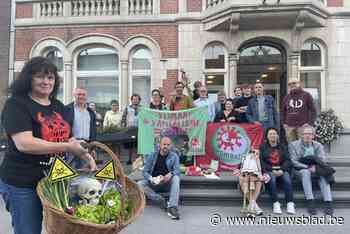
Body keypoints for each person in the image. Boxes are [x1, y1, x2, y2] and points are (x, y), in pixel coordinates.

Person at [0, 57, 96, 234]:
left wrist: (86, 155)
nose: (46, 82)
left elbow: (68, 138)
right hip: (22, 182)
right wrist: (68, 148)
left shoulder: (58, 106)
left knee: (61, 227)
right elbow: (25, 144)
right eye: (40, 77)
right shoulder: (16, 104)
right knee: (28, 230)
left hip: (54, 180)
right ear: (29, 79)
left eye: (50, 77)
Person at [289, 125, 334, 215]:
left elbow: (322, 160)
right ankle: (310, 201)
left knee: (323, 173)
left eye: (310, 134)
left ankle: (328, 202)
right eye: (305, 134)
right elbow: (293, 161)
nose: (307, 136)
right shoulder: (293, 145)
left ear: (313, 136)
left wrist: (315, 168)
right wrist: (308, 167)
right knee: (306, 172)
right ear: (301, 135)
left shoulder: (318, 146)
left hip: (315, 169)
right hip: (299, 169)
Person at [138, 137, 181, 220]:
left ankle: (172, 207)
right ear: (160, 145)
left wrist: (170, 174)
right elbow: (144, 172)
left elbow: (177, 170)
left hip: (167, 183)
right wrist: (151, 178)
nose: (166, 146)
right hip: (154, 183)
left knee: (176, 178)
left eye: (168, 145)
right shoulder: (152, 155)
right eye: (164, 144)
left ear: (171, 146)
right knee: (139, 184)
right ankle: (161, 200)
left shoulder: (174, 156)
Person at [260, 127, 295, 214]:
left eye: (274, 134)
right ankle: (275, 202)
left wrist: (282, 170)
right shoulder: (263, 147)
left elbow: (288, 160)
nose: (272, 135)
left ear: (277, 136)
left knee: (287, 178)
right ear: (267, 136)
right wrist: (272, 169)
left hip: (281, 169)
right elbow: (261, 162)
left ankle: (290, 203)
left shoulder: (283, 146)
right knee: (272, 179)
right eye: (270, 134)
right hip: (269, 170)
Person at [66, 87, 97, 168]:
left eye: (83, 94)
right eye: (79, 94)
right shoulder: (67, 109)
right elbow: (64, 128)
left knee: (85, 173)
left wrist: (92, 148)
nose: (81, 96)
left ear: (86, 96)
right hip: (71, 145)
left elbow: (93, 130)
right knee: (70, 171)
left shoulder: (90, 112)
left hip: (86, 146)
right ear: (74, 95)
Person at [281, 78, 317, 142]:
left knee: (303, 146)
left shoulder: (306, 95)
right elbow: (283, 112)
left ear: (299, 84)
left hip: (303, 127)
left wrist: (309, 124)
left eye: (294, 83)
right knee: (292, 147)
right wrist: (284, 124)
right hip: (289, 127)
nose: (292, 85)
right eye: (290, 84)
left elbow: (313, 110)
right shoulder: (287, 97)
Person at [121, 94, 142, 164]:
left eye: (137, 99)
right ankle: (129, 159)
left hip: (139, 129)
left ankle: (138, 160)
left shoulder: (143, 108)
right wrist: (123, 127)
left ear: (139, 100)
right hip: (129, 129)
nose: (135, 100)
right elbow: (123, 118)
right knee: (130, 145)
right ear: (131, 100)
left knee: (138, 145)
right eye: (134, 99)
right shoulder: (127, 108)